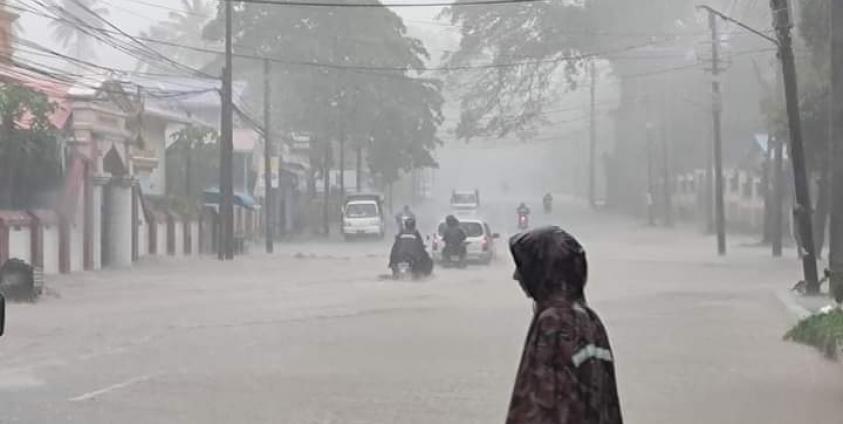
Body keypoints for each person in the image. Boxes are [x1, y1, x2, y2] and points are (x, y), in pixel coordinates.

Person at [506, 227, 622, 424]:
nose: (516, 276)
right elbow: (607, 404)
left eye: (523, 267)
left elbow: (538, 407)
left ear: (543, 270)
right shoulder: (591, 320)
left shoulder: (554, 322)